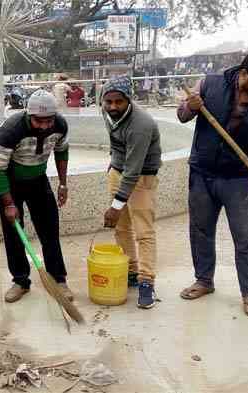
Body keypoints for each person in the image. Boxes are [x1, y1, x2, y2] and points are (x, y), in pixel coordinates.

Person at [177, 48, 248, 317]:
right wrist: (189, 107)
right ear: (244, 73)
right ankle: (204, 281)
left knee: (246, 238)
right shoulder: (209, 84)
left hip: (239, 179)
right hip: (202, 173)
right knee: (201, 231)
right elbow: (182, 115)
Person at [0, 90, 73, 303]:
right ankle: (20, 281)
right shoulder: (11, 129)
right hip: (10, 182)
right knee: (14, 233)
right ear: (29, 115)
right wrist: (8, 204)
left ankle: (58, 279)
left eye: (49, 120)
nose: (45, 126)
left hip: (38, 180)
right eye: (39, 121)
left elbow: (62, 152)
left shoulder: (60, 125)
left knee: (50, 230)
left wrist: (63, 184)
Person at [101, 75, 162, 309]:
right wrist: (112, 164)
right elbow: (116, 142)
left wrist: (116, 206)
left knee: (143, 231)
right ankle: (131, 271)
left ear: (129, 100)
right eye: (109, 102)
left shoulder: (141, 125)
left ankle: (147, 281)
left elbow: (134, 170)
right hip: (118, 171)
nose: (113, 107)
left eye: (119, 102)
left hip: (142, 176)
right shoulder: (105, 111)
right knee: (121, 228)